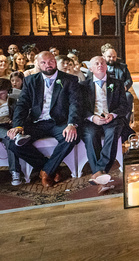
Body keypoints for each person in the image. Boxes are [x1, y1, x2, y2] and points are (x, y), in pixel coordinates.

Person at [7, 51, 81, 187]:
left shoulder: (69, 80)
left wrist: (71, 124)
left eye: (51, 61)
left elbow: (74, 104)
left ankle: (46, 172)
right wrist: (18, 126)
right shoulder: (30, 80)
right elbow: (22, 105)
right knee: (13, 143)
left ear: (55, 61)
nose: (48, 65)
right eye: (43, 62)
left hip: (59, 122)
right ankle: (50, 168)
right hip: (37, 122)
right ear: (38, 65)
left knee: (72, 137)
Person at [80, 56, 129, 192]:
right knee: (90, 135)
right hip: (92, 120)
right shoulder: (83, 86)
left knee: (113, 132)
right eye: (96, 63)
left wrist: (112, 115)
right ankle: (101, 174)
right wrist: (92, 118)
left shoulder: (117, 83)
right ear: (91, 68)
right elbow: (80, 108)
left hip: (111, 119)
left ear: (106, 66)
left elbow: (124, 106)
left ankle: (98, 171)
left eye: (102, 62)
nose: (100, 65)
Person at [0, 78, 23, 185]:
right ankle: (16, 137)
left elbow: (19, 116)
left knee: (11, 141)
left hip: (8, 127)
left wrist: (13, 121)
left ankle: (15, 172)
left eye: (2, 93)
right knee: (11, 137)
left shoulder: (13, 101)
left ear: (8, 91)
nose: (0, 95)